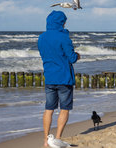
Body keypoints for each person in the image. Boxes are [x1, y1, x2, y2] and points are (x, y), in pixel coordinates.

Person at [38, 10, 80, 147]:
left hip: (49, 77)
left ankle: (46, 140)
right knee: (64, 108)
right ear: (61, 22)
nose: (65, 23)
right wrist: (78, 55)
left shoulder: (41, 38)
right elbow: (72, 58)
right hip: (64, 78)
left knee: (48, 109)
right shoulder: (64, 37)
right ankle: (57, 138)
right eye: (64, 21)